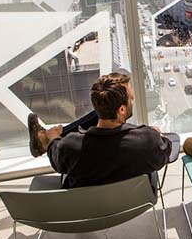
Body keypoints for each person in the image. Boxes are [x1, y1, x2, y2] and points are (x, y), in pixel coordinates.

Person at [27, 72, 173, 189]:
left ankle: (43, 140)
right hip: (133, 204)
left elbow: (56, 159)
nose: (133, 101)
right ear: (122, 109)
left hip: (88, 211)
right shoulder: (148, 140)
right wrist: (155, 133)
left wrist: (53, 138)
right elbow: (166, 150)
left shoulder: (69, 146)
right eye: (131, 99)